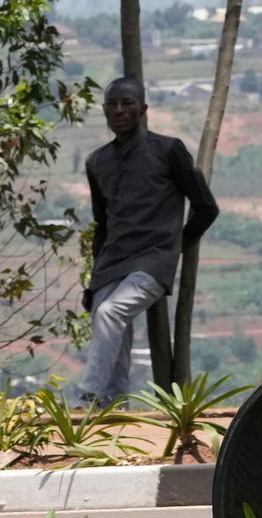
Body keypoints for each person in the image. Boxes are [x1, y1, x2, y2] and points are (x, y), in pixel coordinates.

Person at [80, 77, 220, 404]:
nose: (119, 110)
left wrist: (175, 247)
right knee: (112, 331)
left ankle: (87, 397)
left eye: (127, 103)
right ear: (104, 111)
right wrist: (92, 281)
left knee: (110, 314)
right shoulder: (97, 162)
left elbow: (206, 208)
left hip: (152, 262)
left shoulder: (168, 150)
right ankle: (113, 409)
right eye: (112, 105)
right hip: (110, 264)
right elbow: (102, 225)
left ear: (143, 109)